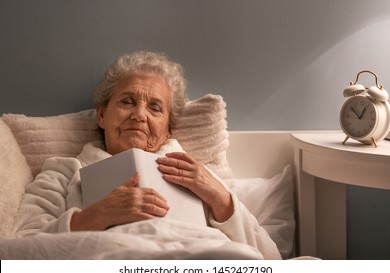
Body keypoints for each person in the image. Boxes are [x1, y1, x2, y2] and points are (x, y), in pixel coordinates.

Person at [13, 50, 281, 259]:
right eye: (127, 101)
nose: (139, 115)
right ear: (102, 115)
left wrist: (222, 199)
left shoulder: (200, 175)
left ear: (167, 130)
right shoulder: (62, 171)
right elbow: (19, 254)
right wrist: (96, 216)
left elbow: (272, 261)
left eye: (155, 108)